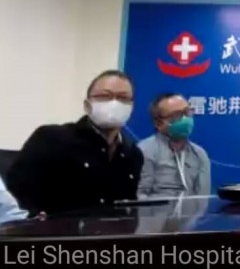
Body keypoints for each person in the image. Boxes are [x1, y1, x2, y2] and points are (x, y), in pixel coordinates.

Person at [6, 70, 144, 215]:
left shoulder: (133, 154)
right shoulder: (51, 139)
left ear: (131, 107)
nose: (114, 103)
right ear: (87, 105)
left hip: (113, 229)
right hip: (55, 228)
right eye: (104, 96)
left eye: (123, 98)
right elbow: (16, 196)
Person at [138, 93, 211, 198]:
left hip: (190, 209)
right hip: (156, 208)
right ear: (158, 123)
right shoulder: (144, 151)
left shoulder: (199, 154)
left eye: (187, 112)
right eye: (177, 115)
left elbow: (202, 198)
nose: (185, 119)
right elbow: (139, 196)